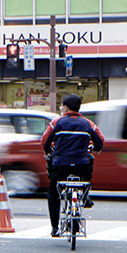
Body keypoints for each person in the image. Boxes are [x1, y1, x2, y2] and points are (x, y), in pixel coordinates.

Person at [41, 93, 105, 236]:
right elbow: (100, 139)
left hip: (60, 165)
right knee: (88, 167)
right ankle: (85, 196)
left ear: (65, 107)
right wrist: (96, 148)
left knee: (53, 192)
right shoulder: (88, 124)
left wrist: (47, 151)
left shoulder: (57, 122)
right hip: (81, 166)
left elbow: (45, 140)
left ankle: (55, 227)